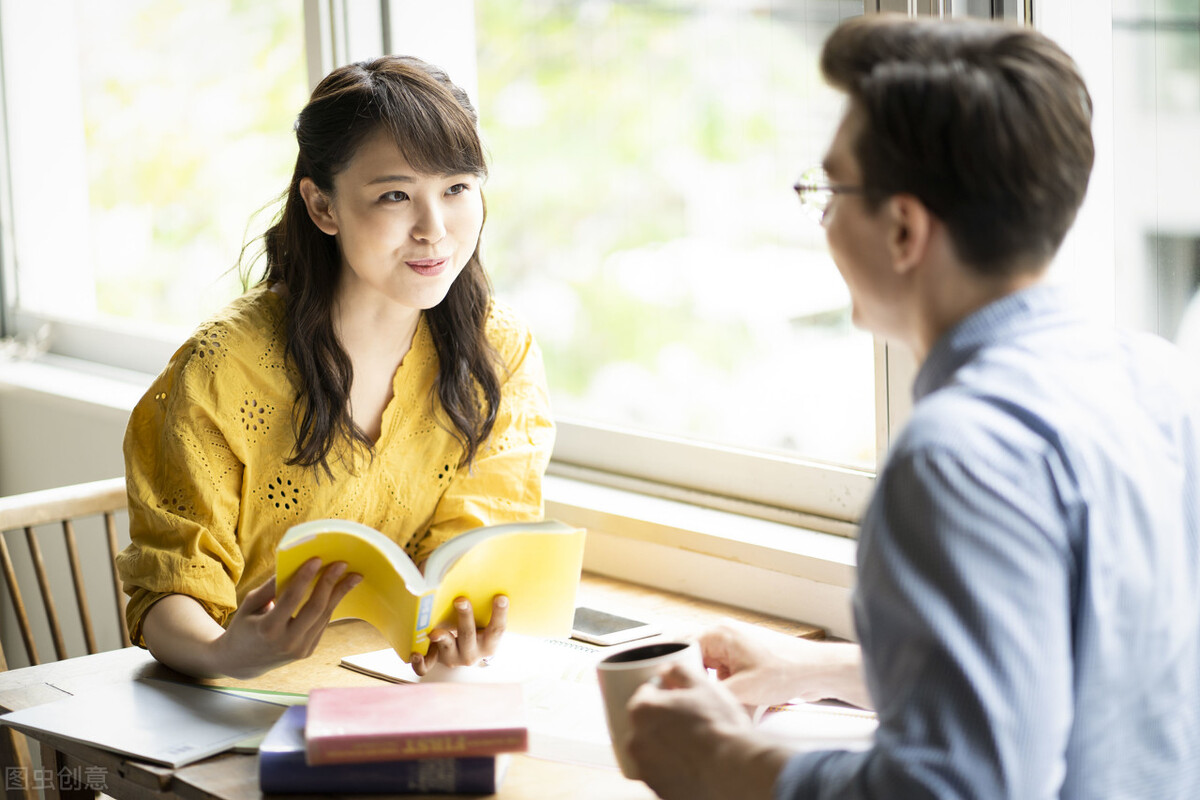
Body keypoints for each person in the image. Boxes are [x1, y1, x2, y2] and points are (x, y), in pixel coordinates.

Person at [626, 14, 1200, 799]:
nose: (822, 217)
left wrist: (726, 765)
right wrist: (820, 669)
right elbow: (1094, 680)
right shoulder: (1152, 380)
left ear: (902, 229)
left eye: (830, 189)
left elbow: (960, 789)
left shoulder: (955, 454)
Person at [115, 56, 554, 680]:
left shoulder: (497, 348)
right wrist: (224, 653)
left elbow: (476, 553)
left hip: (393, 689)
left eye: (457, 188)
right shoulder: (220, 369)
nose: (434, 230)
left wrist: (457, 637)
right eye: (395, 195)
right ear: (323, 206)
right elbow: (168, 587)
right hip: (235, 700)